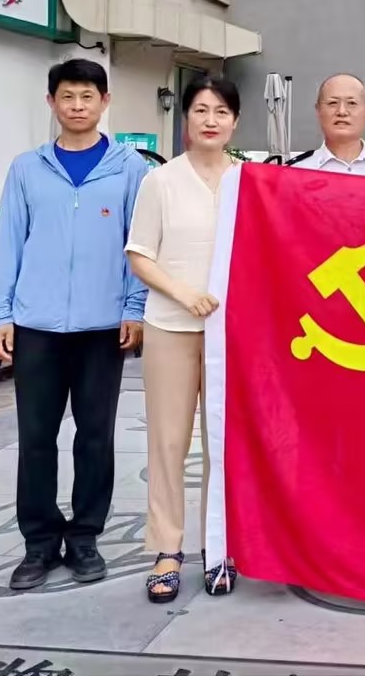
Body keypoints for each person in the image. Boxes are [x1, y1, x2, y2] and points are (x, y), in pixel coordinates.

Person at [0, 59, 149, 590]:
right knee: (36, 438)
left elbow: (139, 246)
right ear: (51, 102)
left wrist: (134, 308)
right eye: (67, 97)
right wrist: (0, 314)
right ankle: (38, 543)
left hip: (103, 328)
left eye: (87, 96)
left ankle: (84, 537)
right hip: (36, 325)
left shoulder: (130, 169)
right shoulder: (27, 169)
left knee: (95, 437)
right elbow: (8, 243)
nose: (77, 106)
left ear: (105, 102)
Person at [125, 74, 242, 603]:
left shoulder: (249, 181)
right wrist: (184, 293)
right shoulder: (161, 181)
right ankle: (167, 550)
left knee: (224, 444)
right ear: (186, 119)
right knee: (169, 442)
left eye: (220, 111)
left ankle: (219, 548)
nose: (210, 120)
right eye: (200, 110)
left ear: (235, 121)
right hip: (171, 328)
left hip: (231, 335)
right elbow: (139, 254)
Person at [286, 73, 365, 176]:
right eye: (333, 103)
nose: (342, 112)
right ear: (318, 110)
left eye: (351, 103)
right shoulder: (295, 171)